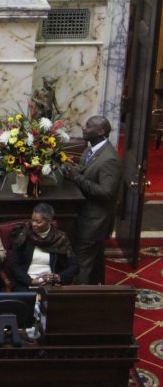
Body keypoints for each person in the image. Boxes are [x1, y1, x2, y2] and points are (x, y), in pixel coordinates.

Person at [62, 115, 122, 284]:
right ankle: (97, 293)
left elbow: (106, 192)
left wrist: (77, 177)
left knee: (81, 263)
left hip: (95, 221)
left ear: (101, 131)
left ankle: (79, 302)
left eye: (88, 126)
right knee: (94, 259)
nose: (84, 128)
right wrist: (74, 170)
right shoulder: (90, 150)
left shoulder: (110, 159)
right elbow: (87, 173)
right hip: (85, 214)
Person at [9, 203, 79, 291]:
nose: (33, 224)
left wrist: (58, 277)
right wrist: (30, 281)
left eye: (38, 222)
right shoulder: (23, 235)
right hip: (25, 282)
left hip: (51, 284)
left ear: (49, 221)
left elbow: (74, 266)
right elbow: (13, 265)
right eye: (32, 220)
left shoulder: (60, 238)